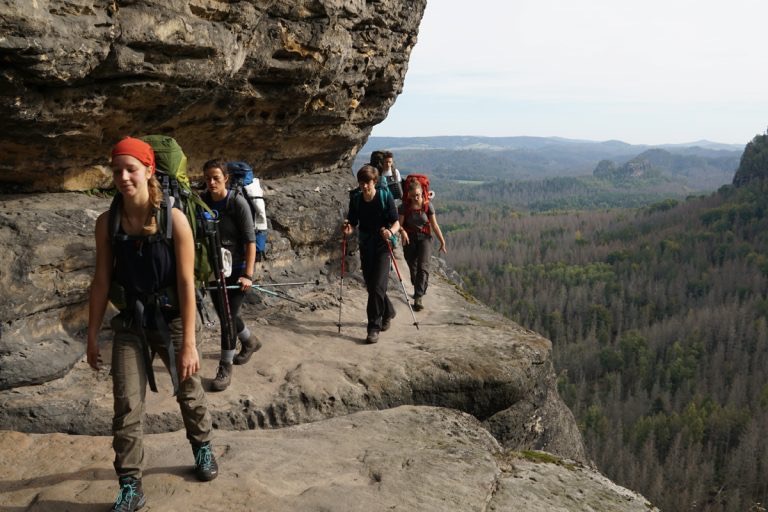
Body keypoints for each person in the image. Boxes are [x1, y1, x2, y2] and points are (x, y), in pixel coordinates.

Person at [87, 137, 218, 512]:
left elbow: (186, 283)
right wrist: (93, 335)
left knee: (188, 390)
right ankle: (130, 485)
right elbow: (101, 281)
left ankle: (203, 447)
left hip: (172, 318)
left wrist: (189, 343)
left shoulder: (173, 219)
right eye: (117, 171)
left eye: (131, 169)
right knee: (127, 403)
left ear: (148, 171)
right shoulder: (107, 223)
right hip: (131, 321)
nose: (123, 177)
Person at [201, 159, 261, 392]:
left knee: (227, 319)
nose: (212, 182)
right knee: (227, 314)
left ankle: (225, 368)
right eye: (208, 178)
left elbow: (250, 241)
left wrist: (248, 275)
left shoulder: (237, 203)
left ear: (226, 178)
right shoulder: (202, 202)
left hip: (237, 270)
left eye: (216, 178)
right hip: (213, 269)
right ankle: (249, 341)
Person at [343, 165, 401, 343]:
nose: (364, 186)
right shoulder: (356, 199)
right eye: (361, 182)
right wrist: (348, 228)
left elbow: (396, 222)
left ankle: (373, 328)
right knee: (372, 286)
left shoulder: (384, 196)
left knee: (376, 286)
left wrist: (390, 232)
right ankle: (388, 311)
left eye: (367, 182)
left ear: (374, 181)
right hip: (366, 245)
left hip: (383, 246)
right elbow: (353, 222)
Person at [398, 178, 447, 311]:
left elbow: (434, 225)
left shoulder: (427, 206)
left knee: (423, 266)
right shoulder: (404, 207)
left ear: (422, 193)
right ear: (408, 195)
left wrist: (442, 241)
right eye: (413, 196)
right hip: (409, 239)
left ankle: (418, 297)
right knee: (412, 266)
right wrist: (402, 231)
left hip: (424, 238)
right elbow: (399, 225)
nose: (416, 198)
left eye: (418, 195)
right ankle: (419, 285)